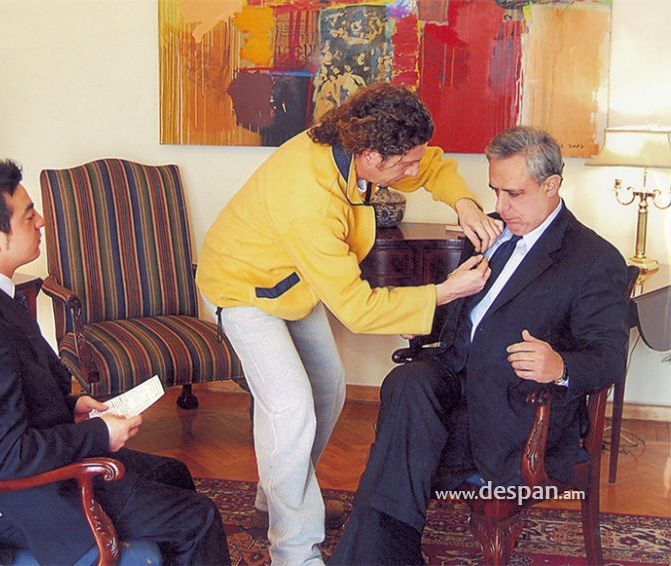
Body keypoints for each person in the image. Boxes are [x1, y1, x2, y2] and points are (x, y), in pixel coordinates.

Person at [195, 82, 501, 564]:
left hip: (296, 283)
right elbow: (357, 309)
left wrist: (462, 201)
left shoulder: (356, 146)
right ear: (371, 156)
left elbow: (430, 165)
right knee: (291, 409)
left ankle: (276, 496)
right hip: (243, 288)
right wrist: (443, 293)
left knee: (329, 389)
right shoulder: (309, 197)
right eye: (404, 164)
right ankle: (294, 551)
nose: (413, 171)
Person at [330, 126, 630, 565]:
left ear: (552, 185)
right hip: (453, 387)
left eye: (514, 194)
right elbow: (470, 317)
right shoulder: (493, 235)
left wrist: (560, 366)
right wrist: (425, 315)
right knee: (408, 382)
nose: (500, 207)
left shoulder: (593, 259)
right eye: (495, 191)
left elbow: (609, 357)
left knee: (398, 452)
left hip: (517, 412)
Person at [0, 160, 230, 565]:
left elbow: (1, 406)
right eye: (29, 216)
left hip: (32, 468)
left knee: (174, 474)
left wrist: (73, 406)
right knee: (198, 517)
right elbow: (2, 457)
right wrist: (99, 435)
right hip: (19, 501)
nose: (42, 221)